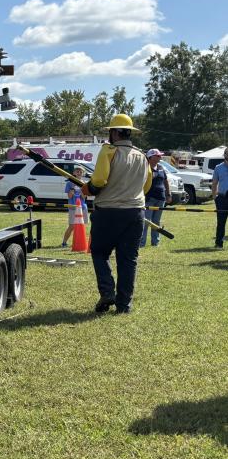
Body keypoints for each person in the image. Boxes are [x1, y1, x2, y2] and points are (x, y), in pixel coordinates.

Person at [81, 114, 152, 314]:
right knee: (128, 260)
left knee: (99, 252)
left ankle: (107, 291)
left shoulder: (108, 151)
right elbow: (146, 186)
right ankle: (124, 306)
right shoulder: (142, 156)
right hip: (136, 213)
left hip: (109, 213)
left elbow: (99, 181)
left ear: (114, 132)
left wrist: (88, 189)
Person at [140, 149, 171, 247]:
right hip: (149, 198)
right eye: (157, 156)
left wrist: (168, 194)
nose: (160, 157)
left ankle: (155, 242)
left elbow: (166, 181)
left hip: (160, 198)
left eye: (160, 156)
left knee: (156, 221)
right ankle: (142, 243)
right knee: (146, 221)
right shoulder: (145, 168)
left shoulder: (161, 167)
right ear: (151, 157)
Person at [61, 167, 88, 247]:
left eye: (81, 171)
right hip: (73, 206)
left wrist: (82, 189)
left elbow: (84, 197)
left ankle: (80, 242)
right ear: (74, 173)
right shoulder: (69, 183)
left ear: (83, 173)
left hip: (82, 207)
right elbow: (69, 196)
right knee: (72, 226)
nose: (79, 172)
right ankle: (64, 242)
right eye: (77, 171)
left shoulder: (84, 183)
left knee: (82, 226)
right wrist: (73, 187)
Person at [211, 147, 228, 249]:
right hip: (222, 198)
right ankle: (219, 243)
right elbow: (214, 183)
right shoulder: (218, 167)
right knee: (221, 222)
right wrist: (214, 197)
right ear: (225, 155)